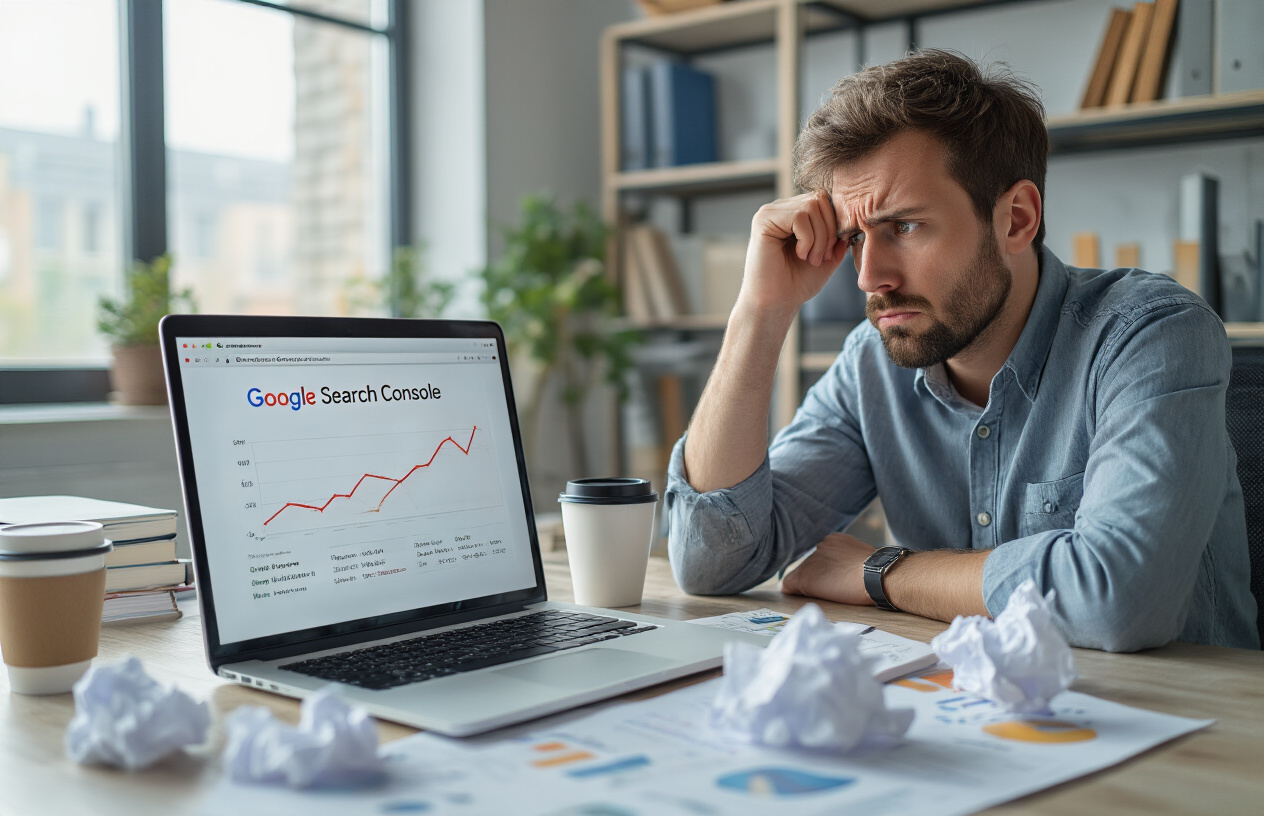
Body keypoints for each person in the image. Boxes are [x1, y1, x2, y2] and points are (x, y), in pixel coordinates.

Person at [664, 49, 1259, 652]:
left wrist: (883, 572)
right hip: (973, 716)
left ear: (1016, 219)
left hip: (1187, 721)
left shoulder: (1150, 334)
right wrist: (760, 313)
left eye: (905, 227)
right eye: (853, 236)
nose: (870, 277)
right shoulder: (871, 363)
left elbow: (1119, 599)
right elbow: (711, 562)